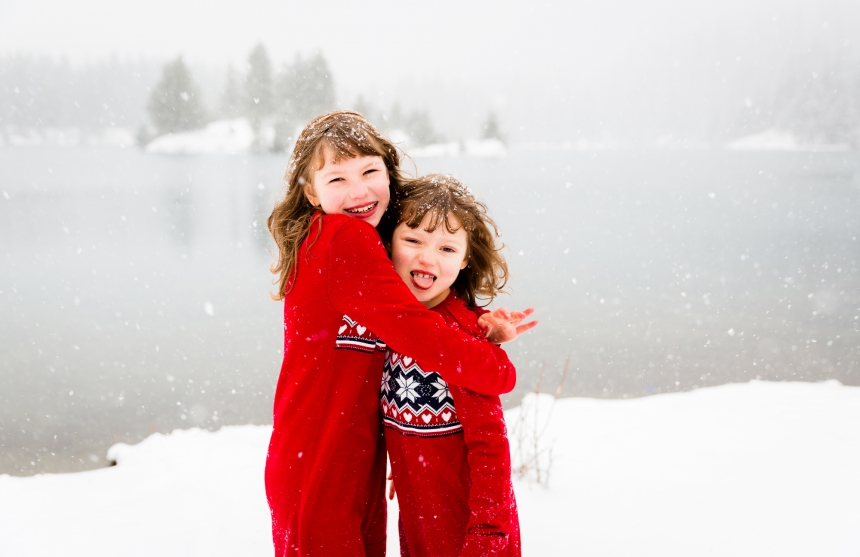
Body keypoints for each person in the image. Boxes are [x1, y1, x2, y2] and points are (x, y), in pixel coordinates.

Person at [264, 112, 530, 557]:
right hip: (322, 468)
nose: (358, 191)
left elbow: (414, 306)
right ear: (310, 191)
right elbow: (423, 334)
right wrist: (495, 366)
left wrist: (476, 320)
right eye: (337, 179)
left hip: (335, 461)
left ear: (389, 171)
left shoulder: (346, 239)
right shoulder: (344, 239)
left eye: (370, 171)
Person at [381, 174, 530, 557]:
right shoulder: (389, 322)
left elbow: (490, 448)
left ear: (464, 260)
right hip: (419, 513)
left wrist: (487, 534)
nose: (427, 257)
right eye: (412, 240)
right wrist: (408, 458)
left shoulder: (458, 337)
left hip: (468, 528)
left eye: (447, 248)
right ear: (388, 242)